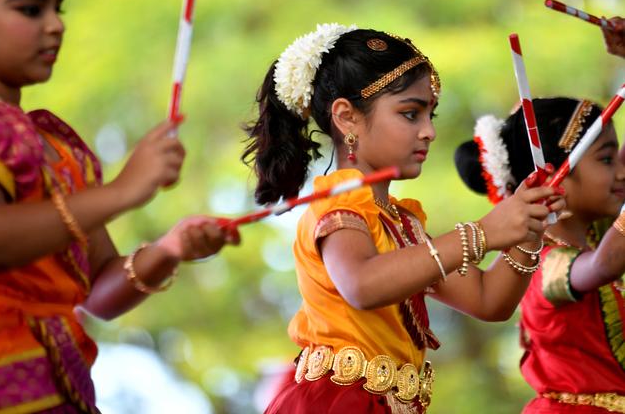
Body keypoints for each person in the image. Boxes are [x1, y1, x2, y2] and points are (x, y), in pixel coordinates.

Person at [0, 0, 239, 412]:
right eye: (31, 9)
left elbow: (96, 292)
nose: (56, 26)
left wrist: (169, 248)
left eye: (59, 9)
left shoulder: (55, 143)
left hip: (63, 384)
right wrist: (121, 191)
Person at [241, 23, 565, 413]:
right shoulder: (339, 201)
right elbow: (363, 284)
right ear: (346, 117)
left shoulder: (402, 223)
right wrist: (482, 232)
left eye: (430, 115)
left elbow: (488, 300)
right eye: (410, 114)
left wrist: (528, 228)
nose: (428, 132)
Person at [455, 97, 625, 412]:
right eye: (606, 160)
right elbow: (606, 264)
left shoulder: (591, 237)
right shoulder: (542, 262)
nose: (621, 172)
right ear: (552, 181)